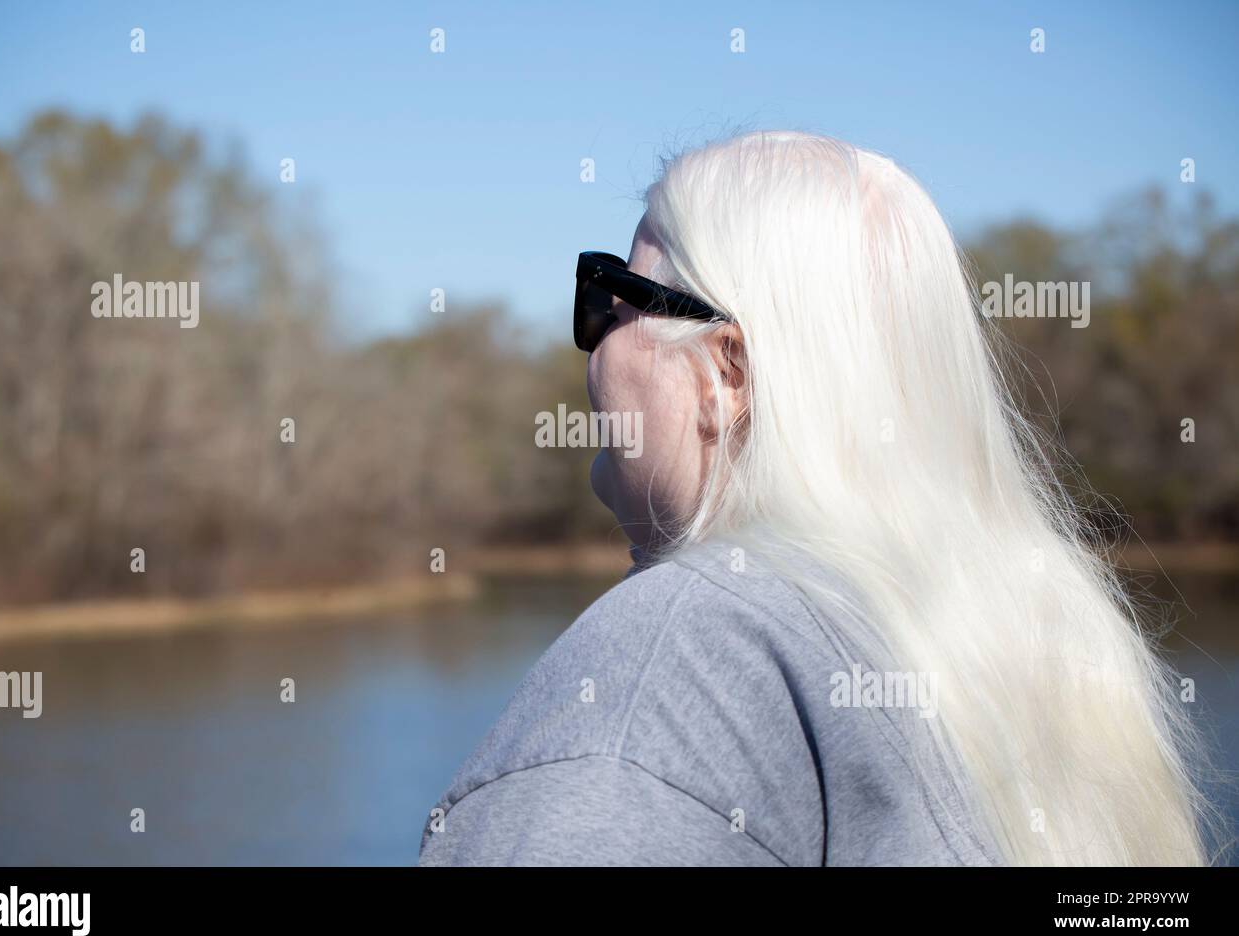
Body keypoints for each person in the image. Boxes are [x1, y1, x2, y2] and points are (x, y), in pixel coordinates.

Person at [419, 131, 1214, 866]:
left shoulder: (680, 652)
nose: (590, 342)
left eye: (609, 297)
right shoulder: (1032, 628)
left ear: (727, 373)